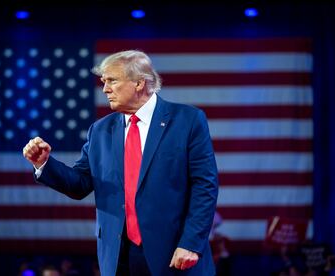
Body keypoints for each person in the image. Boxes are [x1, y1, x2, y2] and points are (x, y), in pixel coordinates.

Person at [23, 50, 218, 275]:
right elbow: (80, 184)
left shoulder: (187, 120)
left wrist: (191, 243)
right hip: (118, 258)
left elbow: (205, 186)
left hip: (175, 253)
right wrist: (44, 164)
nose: (105, 89)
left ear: (139, 83)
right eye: (104, 82)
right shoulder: (100, 130)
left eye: (112, 81)